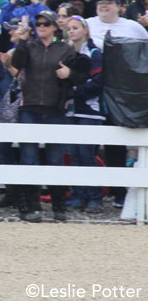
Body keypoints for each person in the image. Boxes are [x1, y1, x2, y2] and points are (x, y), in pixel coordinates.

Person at [5, 10, 80, 221]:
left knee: (55, 158)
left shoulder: (66, 48)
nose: (41, 26)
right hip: (29, 106)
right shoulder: (30, 46)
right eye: (39, 23)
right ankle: (32, 206)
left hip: (55, 108)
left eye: (46, 23)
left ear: (55, 27)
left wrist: (70, 74)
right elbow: (17, 64)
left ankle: (59, 207)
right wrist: (21, 40)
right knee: (29, 158)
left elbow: (80, 75)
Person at [61, 14, 105, 212]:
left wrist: (76, 89)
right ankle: (79, 195)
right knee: (75, 155)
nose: (72, 31)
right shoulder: (68, 54)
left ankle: (95, 197)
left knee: (87, 154)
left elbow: (98, 82)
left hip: (90, 110)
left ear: (85, 30)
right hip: (72, 110)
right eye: (69, 28)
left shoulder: (95, 53)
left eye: (76, 27)